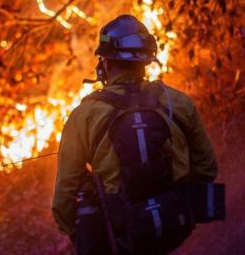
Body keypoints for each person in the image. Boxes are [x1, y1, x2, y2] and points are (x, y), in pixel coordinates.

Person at [52, 14, 221, 255]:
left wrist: (78, 233)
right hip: (174, 227)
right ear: (146, 61)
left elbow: (64, 195)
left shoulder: (84, 115)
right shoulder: (178, 102)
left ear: (105, 63)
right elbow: (206, 169)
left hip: (121, 232)